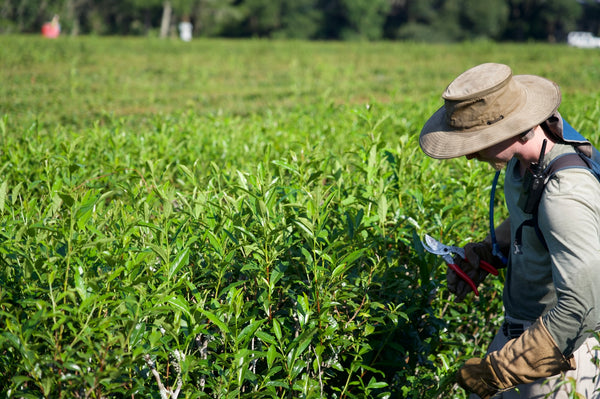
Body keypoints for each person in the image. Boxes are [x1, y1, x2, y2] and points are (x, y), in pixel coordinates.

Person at [419, 63, 600, 398]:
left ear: (517, 128)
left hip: (560, 358)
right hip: (519, 335)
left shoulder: (566, 193)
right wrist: (489, 251)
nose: (470, 154)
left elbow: (582, 307)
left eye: (476, 142)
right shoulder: (525, 165)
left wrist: (499, 371)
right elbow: (531, 222)